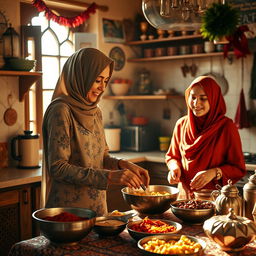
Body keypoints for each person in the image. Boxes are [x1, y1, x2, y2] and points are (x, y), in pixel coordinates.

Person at [41, 48, 150, 215]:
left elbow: (102, 157)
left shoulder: (95, 111)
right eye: (98, 80)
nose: (102, 87)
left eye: (106, 81)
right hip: (68, 213)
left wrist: (122, 164)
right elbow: (58, 168)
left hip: (97, 209)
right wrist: (108, 177)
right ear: (81, 77)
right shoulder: (61, 110)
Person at [166, 76, 246, 199]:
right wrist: (174, 168)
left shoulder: (226, 127)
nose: (196, 103)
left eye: (203, 98)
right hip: (184, 197)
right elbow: (172, 156)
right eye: (193, 97)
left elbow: (238, 168)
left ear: (214, 100)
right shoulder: (181, 124)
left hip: (214, 199)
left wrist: (214, 172)